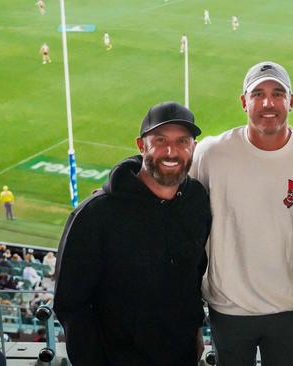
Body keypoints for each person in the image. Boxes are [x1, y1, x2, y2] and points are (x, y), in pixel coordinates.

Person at [190, 61, 293, 366]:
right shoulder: (211, 154)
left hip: (290, 307)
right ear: (243, 101)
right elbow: (185, 221)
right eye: (257, 94)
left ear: (291, 101)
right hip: (229, 307)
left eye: (277, 93)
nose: (268, 103)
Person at [53, 101, 211, 365]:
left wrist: (194, 331)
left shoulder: (196, 201)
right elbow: (71, 304)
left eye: (182, 141)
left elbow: (192, 275)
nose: (171, 151)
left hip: (180, 353)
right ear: (141, 145)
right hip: (118, 357)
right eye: (160, 140)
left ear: (193, 147)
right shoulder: (95, 214)